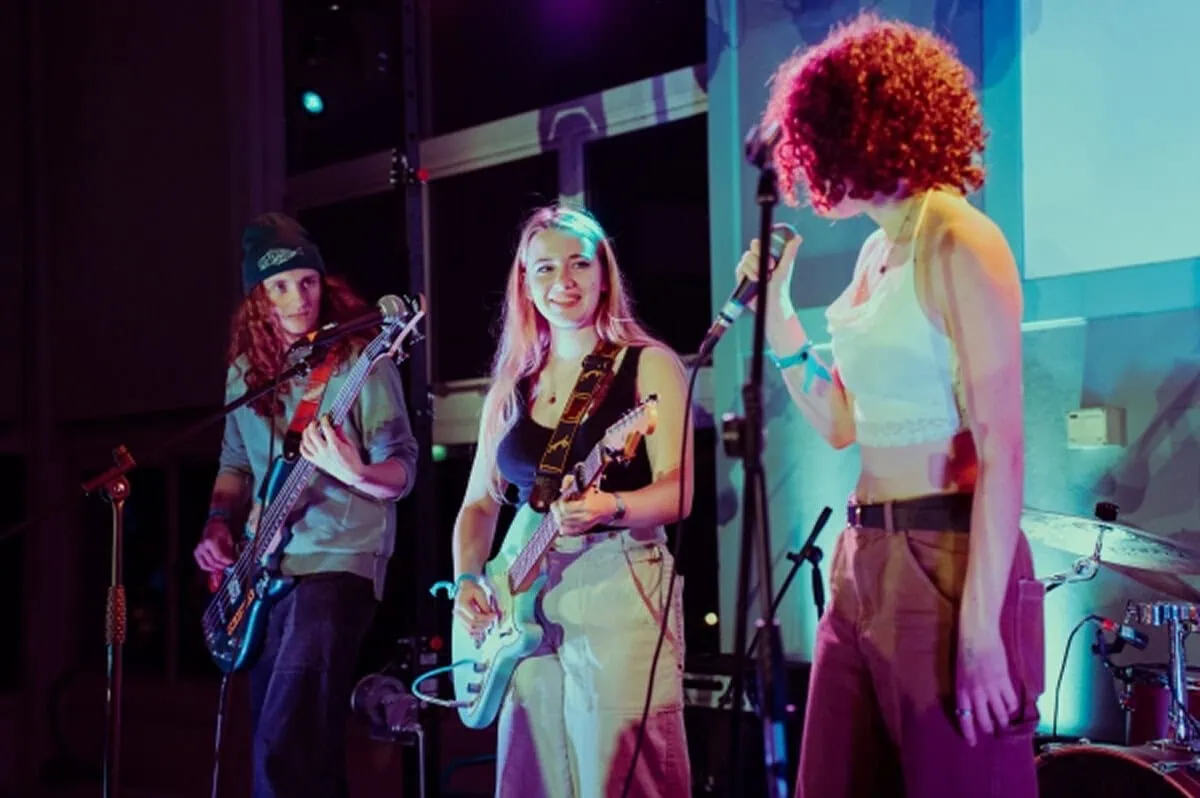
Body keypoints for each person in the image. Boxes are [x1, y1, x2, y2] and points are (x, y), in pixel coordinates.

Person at [736, 12, 1044, 798]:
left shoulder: (960, 239)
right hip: (861, 555)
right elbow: (842, 423)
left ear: (871, 130)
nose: (811, 164)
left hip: (944, 554)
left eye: (824, 138)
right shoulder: (877, 251)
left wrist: (981, 629)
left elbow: (1004, 446)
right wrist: (779, 315)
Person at [450, 204, 694, 797]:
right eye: (545, 269)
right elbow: (479, 505)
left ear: (604, 274)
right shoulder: (511, 388)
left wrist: (613, 507)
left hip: (617, 578)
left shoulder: (648, 364)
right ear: (525, 284)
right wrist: (466, 579)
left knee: (621, 775)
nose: (564, 280)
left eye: (580, 264)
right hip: (522, 596)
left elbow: (680, 489)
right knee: (532, 778)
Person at [192, 212, 419, 798]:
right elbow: (236, 463)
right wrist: (218, 522)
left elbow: (402, 469)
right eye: (281, 286)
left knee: (283, 743)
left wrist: (355, 471)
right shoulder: (246, 372)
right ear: (257, 298)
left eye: (308, 281)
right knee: (304, 753)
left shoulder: (361, 360)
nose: (299, 298)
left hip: (339, 563)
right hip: (265, 570)